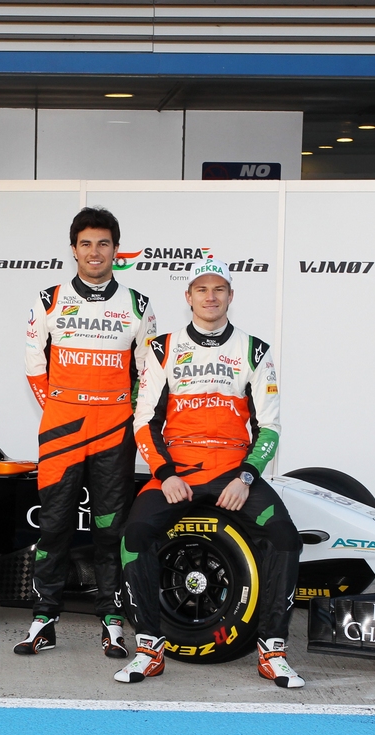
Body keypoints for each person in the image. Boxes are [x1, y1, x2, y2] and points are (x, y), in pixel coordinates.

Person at [114, 259, 304, 688]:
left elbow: (270, 426)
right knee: (134, 537)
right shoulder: (163, 348)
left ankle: (272, 650)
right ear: (189, 298)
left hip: (232, 474)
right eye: (202, 289)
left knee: (285, 538)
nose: (211, 296)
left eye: (219, 289)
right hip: (176, 473)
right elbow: (143, 421)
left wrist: (247, 477)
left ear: (231, 296)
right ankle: (149, 647)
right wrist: (164, 474)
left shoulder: (254, 351)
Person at [16, 207, 156, 658]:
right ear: (73, 249)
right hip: (62, 429)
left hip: (113, 431)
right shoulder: (49, 298)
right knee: (54, 526)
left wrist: (125, 416)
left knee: (109, 529)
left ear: (116, 249)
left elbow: (148, 375)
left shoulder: (138, 305)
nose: (95, 252)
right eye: (86, 244)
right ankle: (43, 618)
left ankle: (112, 620)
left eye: (104, 243)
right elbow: (34, 365)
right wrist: (62, 410)